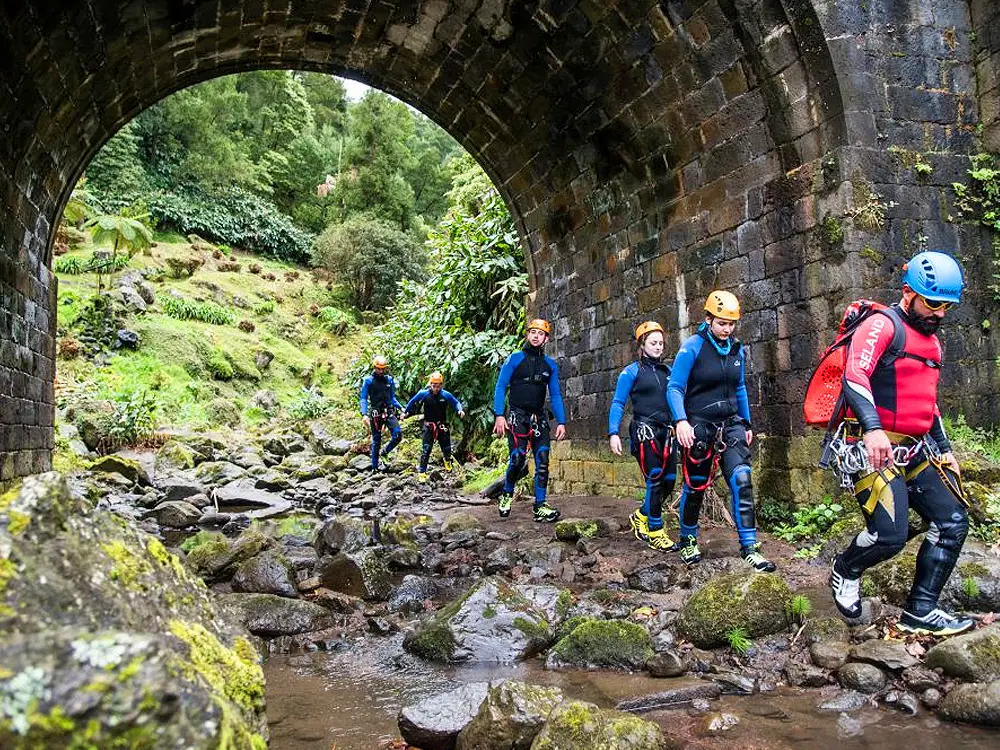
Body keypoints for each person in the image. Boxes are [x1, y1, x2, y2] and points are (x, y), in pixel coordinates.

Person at [827, 250, 972, 635]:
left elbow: (930, 404)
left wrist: (945, 451)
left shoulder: (934, 345)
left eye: (947, 307)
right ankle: (846, 568)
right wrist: (873, 428)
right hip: (871, 449)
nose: (940, 314)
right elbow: (855, 375)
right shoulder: (881, 325)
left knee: (953, 521)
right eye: (934, 304)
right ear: (909, 293)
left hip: (917, 450)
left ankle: (921, 611)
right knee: (888, 537)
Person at [667, 291, 776, 571]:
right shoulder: (692, 348)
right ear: (708, 319)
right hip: (699, 428)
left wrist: (747, 422)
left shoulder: (737, 349)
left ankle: (749, 546)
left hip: (731, 425)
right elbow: (675, 388)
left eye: (731, 324)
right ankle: (688, 538)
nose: (727, 329)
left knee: (742, 478)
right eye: (721, 323)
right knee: (696, 486)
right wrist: (681, 421)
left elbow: (739, 387)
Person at [608, 321, 678, 551]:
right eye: (653, 343)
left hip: (667, 432)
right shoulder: (631, 372)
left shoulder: (668, 372)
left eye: (660, 343)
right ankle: (656, 532)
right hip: (644, 430)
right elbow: (619, 402)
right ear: (642, 344)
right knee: (655, 478)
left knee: (669, 482)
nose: (658, 347)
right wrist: (613, 432)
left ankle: (641, 516)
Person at [493, 318, 566, 522]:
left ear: (546, 338)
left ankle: (540, 505)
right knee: (517, 459)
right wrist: (499, 415)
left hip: (539, 417)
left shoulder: (550, 365)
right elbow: (500, 387)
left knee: (542, 460)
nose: (536, 336)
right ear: (527, 334)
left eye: (540, 333)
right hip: (517, 416)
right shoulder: (515, 359)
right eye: (532, 332)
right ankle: (507, 493)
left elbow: (556, 395)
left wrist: (561, 421)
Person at [404, 371, 466, 481]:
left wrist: (460, 410)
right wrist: (405, 412)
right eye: (434, 386)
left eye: (438, 386)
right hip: (428, 425)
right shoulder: (423, 394)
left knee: (447, 448)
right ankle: (422, 472)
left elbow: (456, 402)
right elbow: (412, 401)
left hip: (441, 425)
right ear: (430, 384)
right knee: (426, 449)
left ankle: (447, 460)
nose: (436, 389)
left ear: (441, 385)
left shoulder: (445, 395)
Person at [359, 355, 404, 471]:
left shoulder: (389, 380)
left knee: (398, 434)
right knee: (376, 440)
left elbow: (392, 398)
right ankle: (374, 468)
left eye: (383, 368)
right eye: (378, 368)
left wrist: (401, 408)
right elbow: (363, 398)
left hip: (388, 411)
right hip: (375, 412)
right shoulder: (368, 381)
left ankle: (385, 452)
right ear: (374, 367)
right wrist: (364, 413)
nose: (380, 371)